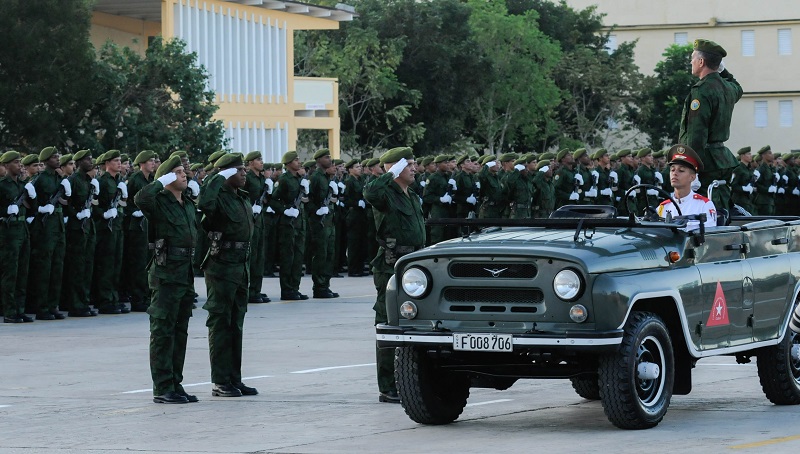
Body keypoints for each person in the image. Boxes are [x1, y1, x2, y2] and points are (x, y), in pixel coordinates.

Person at [134, 155, 198, 404]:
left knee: (180, 330)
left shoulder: (188, 204)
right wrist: (160, 182)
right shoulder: (159, 201)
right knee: (163, 331)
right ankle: (162, 387)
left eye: (184, 171)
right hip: (165, 272)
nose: (184, 175)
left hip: (185, 272)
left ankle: (175, 383)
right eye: (178, 172)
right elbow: (141, 198)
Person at [363, 146, 425, 404]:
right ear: (396, 168)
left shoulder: (410, 195)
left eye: (413, 164)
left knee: (414, 324)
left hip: (413, 267)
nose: (414, 168)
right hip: (391, 266)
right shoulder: (386, 193)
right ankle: (388, 386)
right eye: (408, 164)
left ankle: (412, 382)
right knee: (388, 324)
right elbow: (370, 192)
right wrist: (390, 173)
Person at [198, 152, 257, 398]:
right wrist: (217, 176)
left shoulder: (239, 196)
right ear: (227, 173)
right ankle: (220, 381)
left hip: (240, 264)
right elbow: (203, 204)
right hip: (221, 265)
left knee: (236, 323)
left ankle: (234, 378)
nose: (245, 174)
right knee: (221, 323)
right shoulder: (217, 197)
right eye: (240, 170)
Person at [678, 39, 743, 210]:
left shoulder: (701, 90)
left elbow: (696, 133)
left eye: (693, 58)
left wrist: (692, 169)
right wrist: (722, 70)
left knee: (701, 211)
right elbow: (739, 87)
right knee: (720, 206)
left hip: (704, 161)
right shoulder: (728, 88)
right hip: (721, 159)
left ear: (701, 62)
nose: (691, 62)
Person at [62, 150, 99, 317]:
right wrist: (75, 214)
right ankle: (75, 304)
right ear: (78, 162)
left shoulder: (88, 181)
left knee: (87, 266)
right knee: (77, 267)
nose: (90, 162)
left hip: (88, 227)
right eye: (87, 160)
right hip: (77, 229)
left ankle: (83, 301)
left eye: (91, 159)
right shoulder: (73, 180)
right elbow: (65, 203)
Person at [0, 151, 35, 323]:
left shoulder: (22, 185)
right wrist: (5, 210)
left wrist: (33, 197)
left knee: (22, 271)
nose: (19, 165)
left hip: (23, 229)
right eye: (15, 162)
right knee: (10, 273)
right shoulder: (1, 185)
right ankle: (9, 311)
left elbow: (31, 208)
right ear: (6, 166)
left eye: (20, 162)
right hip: (8, 233)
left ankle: (20, 309)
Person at [270, 151, 308, 301]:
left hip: (299, 222)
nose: (299, 162)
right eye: (296, 160)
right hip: (287, 224)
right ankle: (286, 290)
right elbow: (273, 200)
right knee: (288, 257)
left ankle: (295, 288)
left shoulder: (300, 179)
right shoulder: (284, 180)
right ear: (288, 163)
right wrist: (284, 210)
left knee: (298, 257)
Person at [657, 145, 717, 230]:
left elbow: (708, 238)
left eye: (681, 170)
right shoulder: (663, 207)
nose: (675, 173)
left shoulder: (704, 205)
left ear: (692, 177)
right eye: (672, 170)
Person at [306, 148, 340, 299]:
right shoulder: (316, 178)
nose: (330, 160)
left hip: (329, 222)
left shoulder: (327, 178)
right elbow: (309, 200)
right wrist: (317, 210)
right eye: (327, 158)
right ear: (319, 161)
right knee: (320, 254)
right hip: (319, 223)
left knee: (329, 254)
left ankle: (325, 285)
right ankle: (319, 287)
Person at [243, 150, 270, 304]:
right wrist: (249, 208)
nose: (261, 162)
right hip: (250, 220)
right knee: (251, 257)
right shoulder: (247, 178)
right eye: (258, 159)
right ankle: (247, 290)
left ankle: (256, 290)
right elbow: (241, 196)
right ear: (251, 162)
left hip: (259, 221)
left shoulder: (261, 179)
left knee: (259, 257)